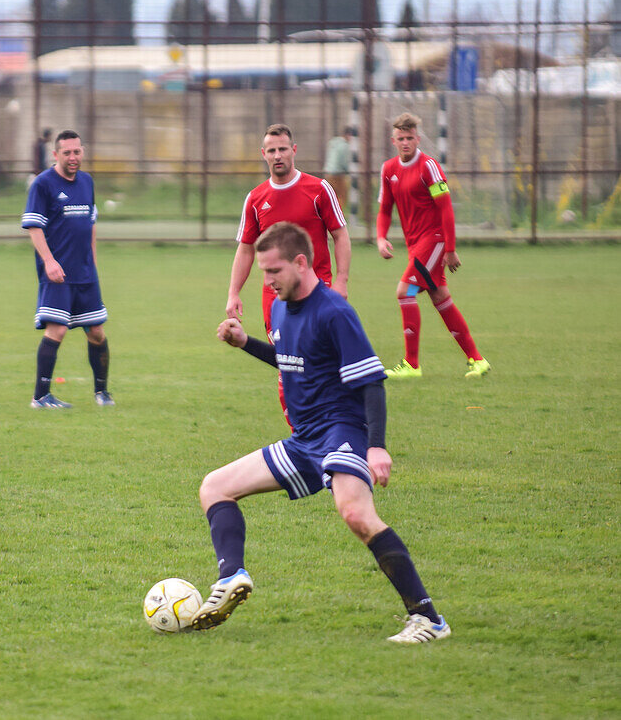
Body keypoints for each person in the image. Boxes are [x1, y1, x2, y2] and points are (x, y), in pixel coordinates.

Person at [193, 222, 451, 644]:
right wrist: (246, 344)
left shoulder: (334, 311)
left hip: (342, 431)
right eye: (263, 272)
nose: (267, 281)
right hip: (304, 438)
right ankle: (231, 577)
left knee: (356, 515)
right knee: (214, 487)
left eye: (273, 271)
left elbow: (371, 381)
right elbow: (293, 360)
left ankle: (429, 620)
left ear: (300, 262)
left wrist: (377, 446)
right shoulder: (280, 307)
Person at [229, 124, 351, 422]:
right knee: (287, 367)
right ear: (263, 155)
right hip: (275, 300)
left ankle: (333, 425)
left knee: (321, 362)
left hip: (318, 294)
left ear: (294, 150)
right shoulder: (256, 198)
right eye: (271, 150)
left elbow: (340, 234)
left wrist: (341, 281)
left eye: (283, 149)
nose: (277, 155)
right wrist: (233, 293)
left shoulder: (318, 189)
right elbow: (245, 249)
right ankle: (301, 434)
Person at [376, 113, 490, 380]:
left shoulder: (429, 167)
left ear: (417, 138)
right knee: (440, 299)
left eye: (410, 138)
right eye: (400, 138)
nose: (405, 142)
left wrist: (449, 249)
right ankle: (477, 360)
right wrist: (381, 237)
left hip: (434, 240)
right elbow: (384, 210)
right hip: (415, 245)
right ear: (394, 141)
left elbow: (446, 209)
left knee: (404, 291)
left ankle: (411, 365)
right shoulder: (388, 169)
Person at [21, 129, 113, 409]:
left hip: (85, 272)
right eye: (67, 153)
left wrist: (93, 262)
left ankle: (102, 392)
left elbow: (91, 224)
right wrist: (49, 261)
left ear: (82, 151)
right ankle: (40, 396)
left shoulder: (86, 182)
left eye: (77, 152)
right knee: (56, 330)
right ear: (55, 154)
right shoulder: (43, 184)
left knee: (96, 331)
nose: (73, 157)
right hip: (57, 273)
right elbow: (34, 226)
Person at [323, 126, 351, 211]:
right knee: (342, 196)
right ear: (348, 135)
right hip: (338, 174)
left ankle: (327, 215)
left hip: (328, 173)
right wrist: (349, 171)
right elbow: (344, 162)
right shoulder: (344, 145)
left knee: (330, 197)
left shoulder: (333, 142)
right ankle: (337, 216)